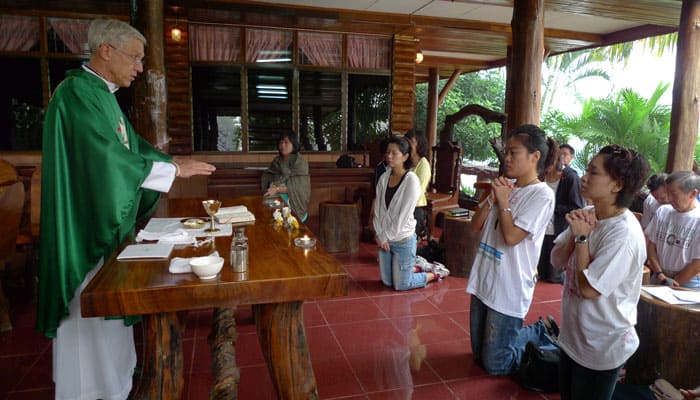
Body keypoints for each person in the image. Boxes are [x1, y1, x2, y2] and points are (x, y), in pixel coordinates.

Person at [36, 19, 216, 400]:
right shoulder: (76, 94)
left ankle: (115, 387)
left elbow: (133, 150)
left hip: (102, 227)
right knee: (90, 323)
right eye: (134, 58)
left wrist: (172, 161)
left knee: (112, 322)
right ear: (105, 50)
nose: (139, 67)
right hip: (84, 230)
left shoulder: (103, 95)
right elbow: (104, 159)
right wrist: (172, 169)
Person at [551, 144, 649, 400]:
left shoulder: (624, 234)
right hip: (573, 336)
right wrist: (575, 236)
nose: (584, 177)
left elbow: (588, 289)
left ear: (617, 184)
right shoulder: (589, 214)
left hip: (601, 346)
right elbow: (557, 260)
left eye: (594, 172)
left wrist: (582, 239)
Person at [467, 124, 558, 375]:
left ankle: (539, 330)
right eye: (506, 152)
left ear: (534, 157)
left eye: (513, 153)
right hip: (486, 277)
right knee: (478, 356)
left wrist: (504, 201)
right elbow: (475, 226)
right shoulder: (507, 187)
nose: (506, 158)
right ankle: (517, 335)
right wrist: (492, 199)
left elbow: (511, 237)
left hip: (510, 285)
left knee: (496, 365)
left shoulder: (541, 195)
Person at [374, 135, 448, 291]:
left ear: (405, 156)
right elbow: (379, 209)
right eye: (388, 152)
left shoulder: (411, 180)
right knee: (387, 282)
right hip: (385, 239)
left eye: (394, 153)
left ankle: (434, 273)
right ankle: (415, 267)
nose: (389, 156)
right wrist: (380, 234)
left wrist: (385, 236)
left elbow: (403, 216)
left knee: (401, 285)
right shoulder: (383, 178)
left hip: (402, 239)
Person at [537, 143, 585, 283]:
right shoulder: (542, 176)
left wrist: (552, 207)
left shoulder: (570, 177)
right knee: (541, 273)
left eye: (564, 154)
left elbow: (576, 206)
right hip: (540, 227)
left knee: (554, 276)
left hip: (557, 229)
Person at [644, 171, 700, 289]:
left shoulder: (697, 219)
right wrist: (660, 274)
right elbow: (651, 245)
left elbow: (697, 264)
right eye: (667, 193)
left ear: (693, 194)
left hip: (689, 281)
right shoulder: (662, 211)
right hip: (659, 276)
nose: (669, 198)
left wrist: (673, 282)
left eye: (674, 194)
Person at [261, 131, 311, 222]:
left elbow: (300, 187)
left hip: (294, 203)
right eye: (281, 142)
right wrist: (272, 184)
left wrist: (277, 189)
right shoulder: (276, 161)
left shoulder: (300, 162)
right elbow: (269, 177)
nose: (283, 145)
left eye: (286, 142)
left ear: (294, 144)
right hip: (276, 202)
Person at [404, 130, 431, 240]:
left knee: (409, 240)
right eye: (407, 141)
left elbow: (418, 191)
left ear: (419, 144)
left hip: (415, 206)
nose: (408, 144)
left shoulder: (423, 164)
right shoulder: (407, 162)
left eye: (412, 141)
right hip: (404, 204)